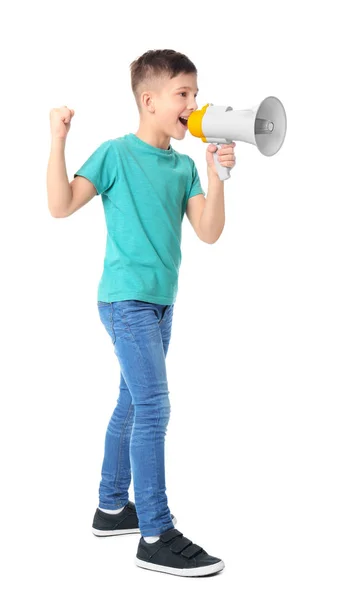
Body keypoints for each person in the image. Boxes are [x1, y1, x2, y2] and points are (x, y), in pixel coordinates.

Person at [47, 48, 236, 577]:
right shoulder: (115, 154)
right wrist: (59, 139)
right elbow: (60, 205)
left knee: (132, 404)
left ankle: (111, 508)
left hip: (160, 304)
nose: (194, 104)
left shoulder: (181, 168)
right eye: (184, 95)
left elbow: (209, 231)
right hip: (124, 301)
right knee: (155, 407)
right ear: (149, 100)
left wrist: (215, 175)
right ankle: (155, 531)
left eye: (196, 94)